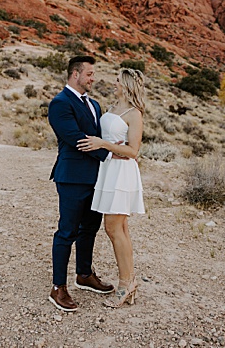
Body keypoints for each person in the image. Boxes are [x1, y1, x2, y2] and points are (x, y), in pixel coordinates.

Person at [47, 55, 118, 312]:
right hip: (71, 178)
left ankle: (84, 274)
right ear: (75, 74)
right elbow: (78, 139)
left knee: (90, 228)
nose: (93, 78)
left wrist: (109, 145)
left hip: (95, 177)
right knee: (67, 231)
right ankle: (58, 288)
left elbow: (97, 137)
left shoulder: (95, 104)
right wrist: (111, 153)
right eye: (89, 74)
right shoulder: (60, 103)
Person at [77, 68, 146, 308]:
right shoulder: (112, 107)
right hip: (107, 171)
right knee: (120, 227)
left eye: (117, 80)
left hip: (122, 174)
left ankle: (126, 284)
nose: (113, 83)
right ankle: (129, 281)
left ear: (126, 85)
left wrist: (103, 144)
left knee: (113, 228)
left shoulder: (134, 113)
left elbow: (133, 151)